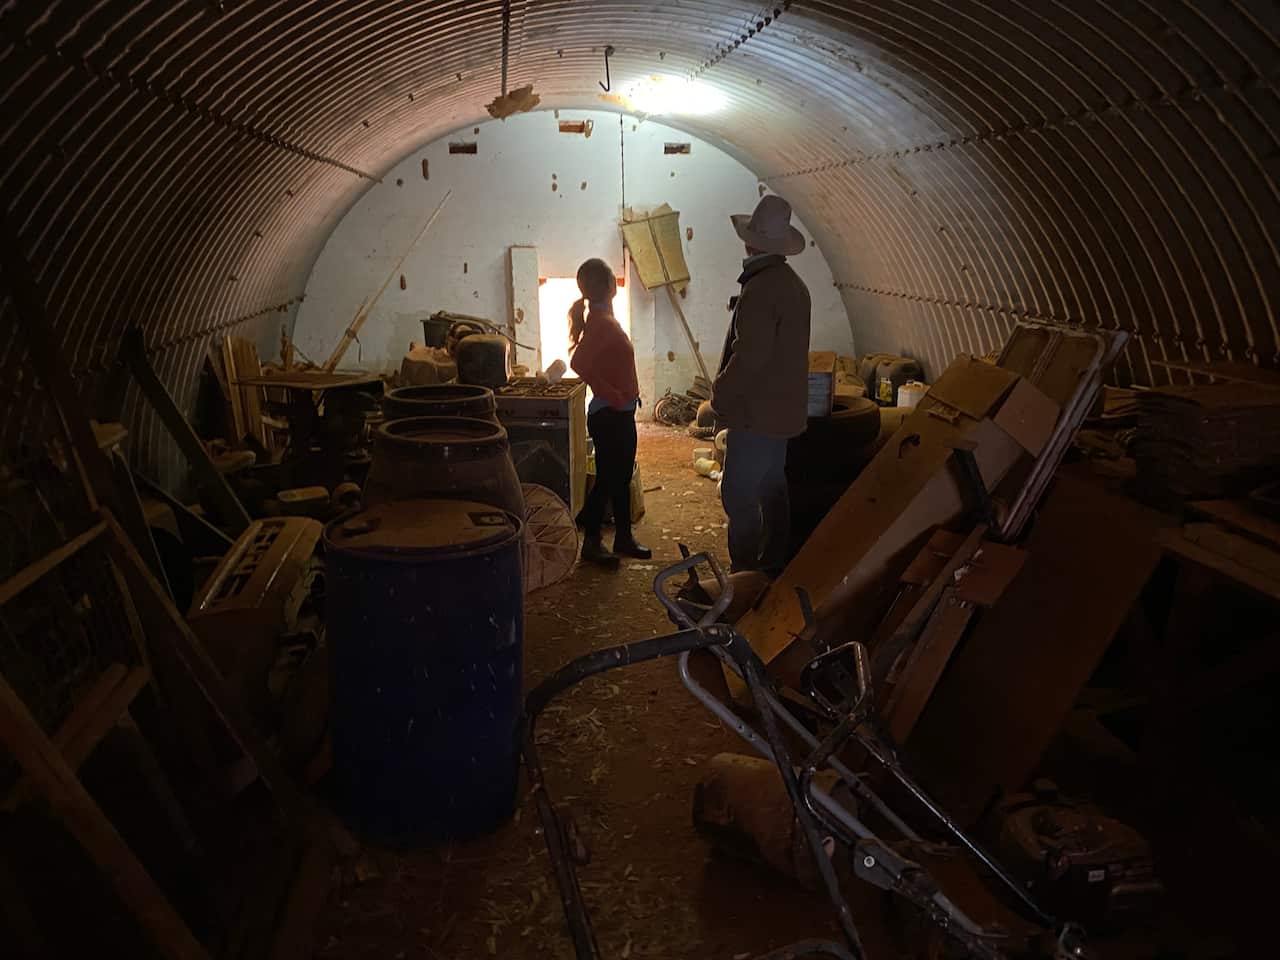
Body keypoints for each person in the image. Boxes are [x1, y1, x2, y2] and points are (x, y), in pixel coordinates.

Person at [711, 195, 812, 575]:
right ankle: (773, 567)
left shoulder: (760, 289)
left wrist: (721, 394)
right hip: (783, 416)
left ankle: (745, 574)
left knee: (738, 496)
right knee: (772, 489)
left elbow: (749, 357)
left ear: (749, 243)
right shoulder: (794, 285)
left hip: (756, 416)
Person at [568, 258, 651, 567]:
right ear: (607, 286)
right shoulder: (601, 323)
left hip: (617, 412)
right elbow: (579, 363)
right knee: (608, 479)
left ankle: (623, 537)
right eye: (611, 279)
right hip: (610, 414)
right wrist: (611, 393)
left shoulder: (602, 318)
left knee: (619, 476)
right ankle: (591, 542)